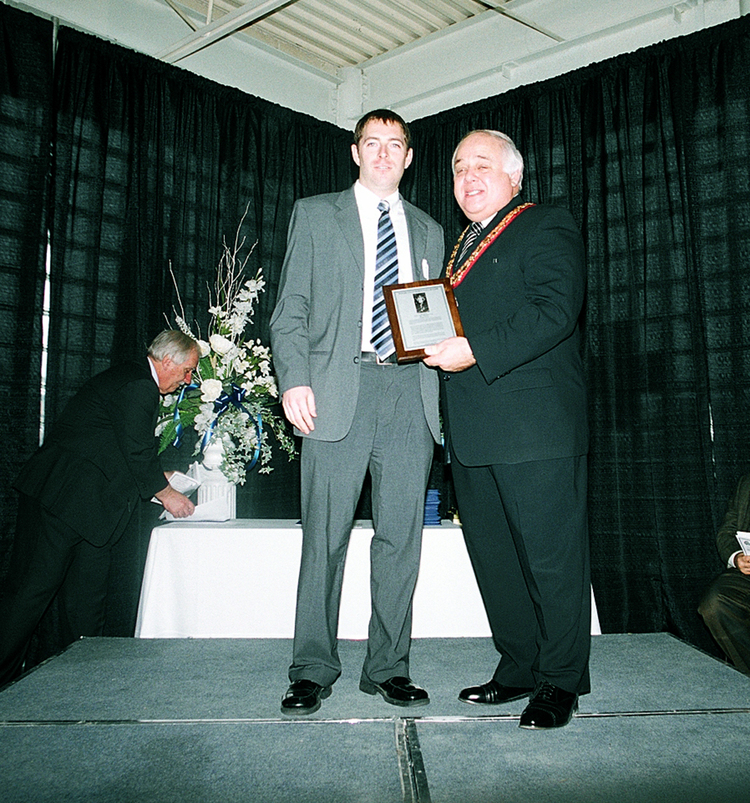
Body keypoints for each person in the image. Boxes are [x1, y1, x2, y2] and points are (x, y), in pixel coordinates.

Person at [270, 109, 444, 715]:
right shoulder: (316, 214)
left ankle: (389, 667)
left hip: (410, 393)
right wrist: (294, 380)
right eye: (373, 143)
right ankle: (311, 669)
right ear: (355, 151)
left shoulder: (429, 230)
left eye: (395, 144)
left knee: (401, 540)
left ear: (409, 158)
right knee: (324, 538)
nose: (384, 153)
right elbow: (290, 309)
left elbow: (433, 316)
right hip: (335, 392)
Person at [424, 130, 590, 730]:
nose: (468, 177)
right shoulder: (458, 248)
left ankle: (560, 680)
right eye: (458, 168)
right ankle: (519, 666)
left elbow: (555, 310)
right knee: (497, 564)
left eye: (482, 166)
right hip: (472, 433)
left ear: (514, 178)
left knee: (551, 563)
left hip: (535, 430)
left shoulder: (545, 224)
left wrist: (473, 349)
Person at [0, 330, 199, 685]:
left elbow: (113, 444)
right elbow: (137, 451)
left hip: (89, 509)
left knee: (86, 601)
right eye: (187, 371)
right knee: (30, 594)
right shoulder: (139, 385)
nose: (187, 380)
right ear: (168, 361)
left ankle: (81, 680)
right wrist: (166, 492)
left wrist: (161, 477)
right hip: (61, 498)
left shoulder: (131, 379)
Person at [698, 473, 750, 675]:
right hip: (746, 576)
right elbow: (727, 531)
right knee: (715, 603)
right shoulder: (746, 482)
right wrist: (737, 558)